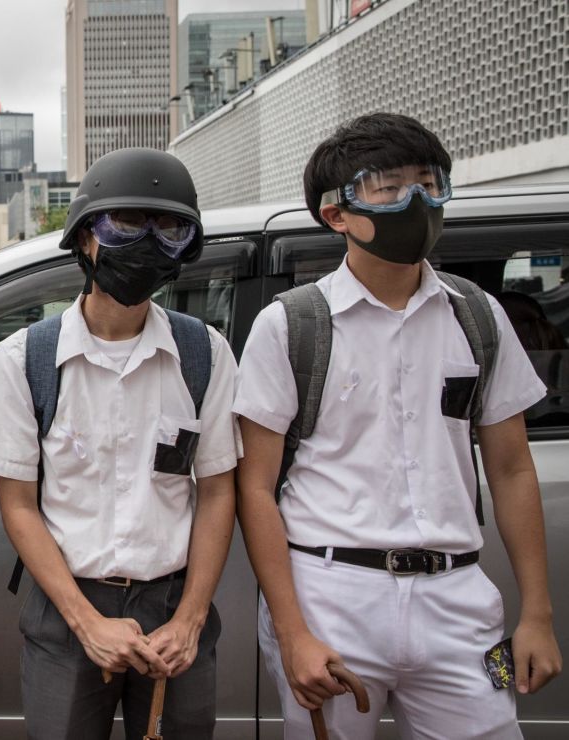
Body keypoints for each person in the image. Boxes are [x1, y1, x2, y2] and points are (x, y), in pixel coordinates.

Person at [234, 112, 562, 739]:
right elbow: (256, 488)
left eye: (428, 180)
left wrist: (538, 615)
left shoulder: (478, 316)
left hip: (457, 596)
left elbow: (513, 466)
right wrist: (292, 631)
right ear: (336, 214)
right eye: (387, 186)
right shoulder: (292, 325)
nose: (416, 199)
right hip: (332, 594)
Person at [0, 147, 240, 739]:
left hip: (173, 605)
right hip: (68, 610)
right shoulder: (23, 361)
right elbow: (18, 505)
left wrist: (191, 619)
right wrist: (85, 621)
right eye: (125, 225)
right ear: (84, 240)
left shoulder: (204, 355)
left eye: (168, 230)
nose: (147, 244)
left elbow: (218, 491)